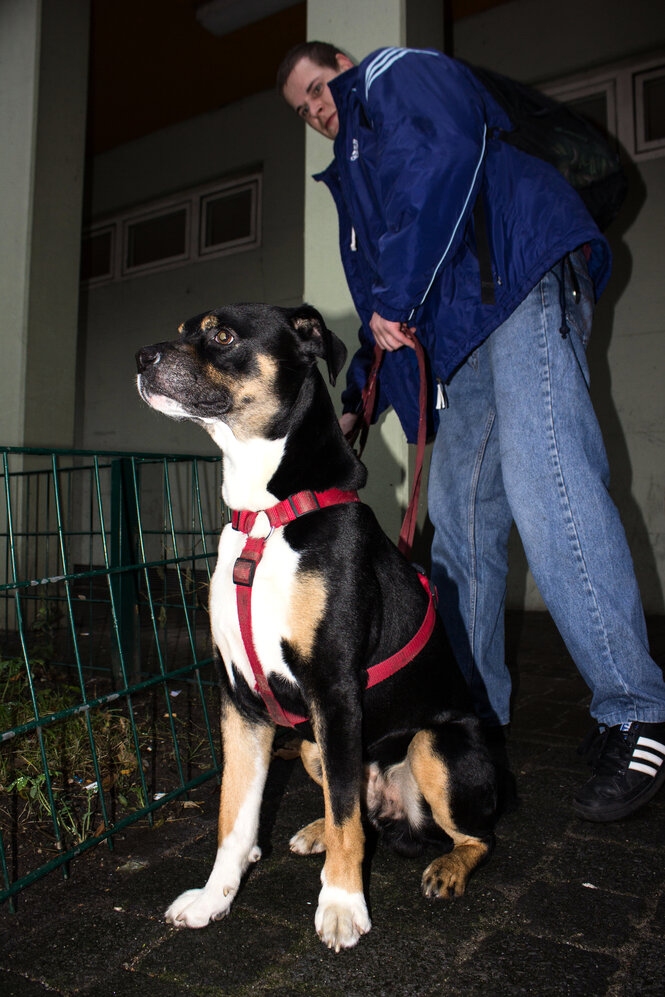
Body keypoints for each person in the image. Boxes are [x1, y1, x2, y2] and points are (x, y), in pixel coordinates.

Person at [277, 41, 665, 822]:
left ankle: (636, 710)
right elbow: (393, 314)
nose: (317, 109)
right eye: (303, 108)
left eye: (319, 88)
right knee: (459, 529)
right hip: (465, 335)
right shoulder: (352, 170)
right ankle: (471, 718)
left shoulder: (395, 75)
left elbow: (445, 161)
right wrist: (358, 398)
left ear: (344, 65)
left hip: (518, 282)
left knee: (545, 480)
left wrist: (393, 294)